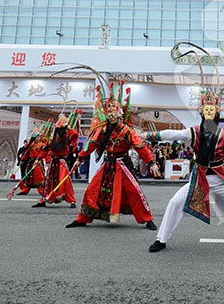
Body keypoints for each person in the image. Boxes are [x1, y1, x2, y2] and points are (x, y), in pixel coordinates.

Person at [146, 45, 224, 253]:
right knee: (174, 202)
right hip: (199, 178)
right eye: (206, 109)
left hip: (219, 176)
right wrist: (150, 136)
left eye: (212, 109)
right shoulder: (194, 132)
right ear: (201, 111)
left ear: (217, 113)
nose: (209, 112)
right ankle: (161, 239)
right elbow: (174, 134)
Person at [66, 80, 159, 227]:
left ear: (120, 115)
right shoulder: (103, 131)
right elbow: (92, 144)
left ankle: (147, 220)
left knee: (134, 192)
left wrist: (151, 162)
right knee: (92, 190)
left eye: (114, 113)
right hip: (108, 164)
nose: (111, 116)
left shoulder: (127, 131)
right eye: (109, 113)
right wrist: (80, 158)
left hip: (123, 165)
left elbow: (140, 147)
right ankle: (82, 219)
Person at [33, 112, 80, 207]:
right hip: (52, 162)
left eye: (62, 119)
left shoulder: (69, 133)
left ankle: (72, 201)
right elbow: (47, 148)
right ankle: (44, 200)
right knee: (48, 181)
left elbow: (74, 139)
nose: (59, 122)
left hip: (61, 162)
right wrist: (39, 158)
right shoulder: (54, 135)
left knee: (64, 181)